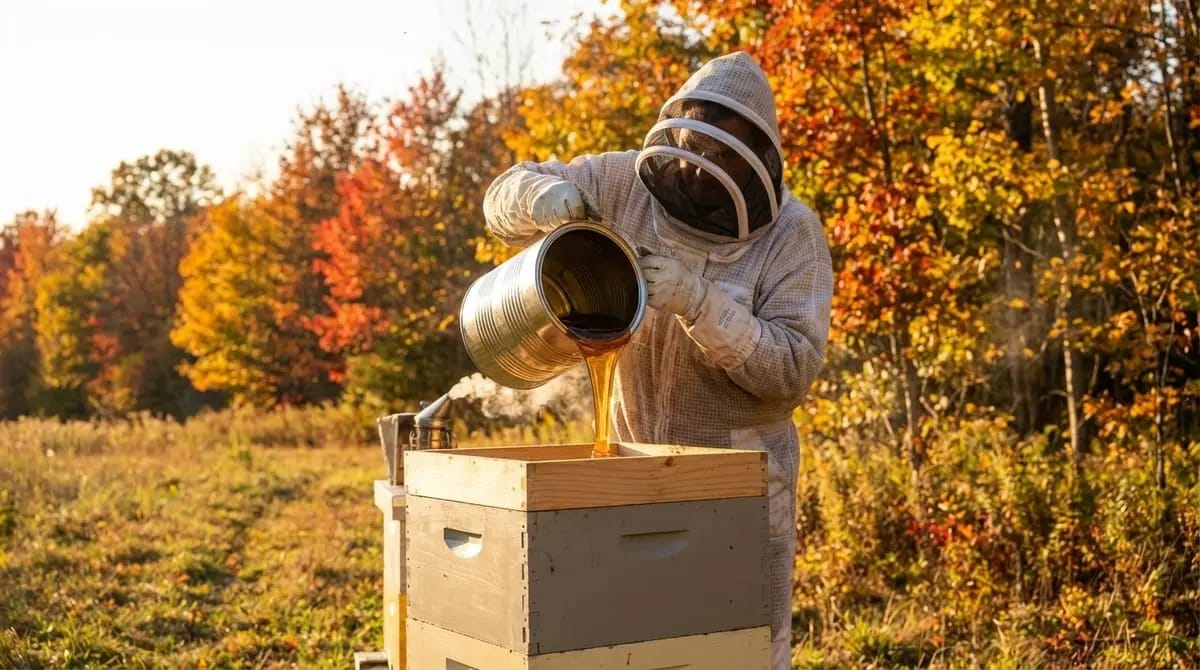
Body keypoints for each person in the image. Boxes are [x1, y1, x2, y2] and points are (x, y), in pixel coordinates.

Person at [481, 51, 833, 670]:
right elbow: (500, 197)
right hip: (629, 474)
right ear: (677, 138)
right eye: (697, 154)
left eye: (723, 161)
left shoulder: (793, 235)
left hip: (743, 491)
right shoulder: (621, 183)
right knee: (632, 648)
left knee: (739, 650)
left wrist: (702, 303)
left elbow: (792, 373)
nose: (700, 179)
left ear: (756, 162)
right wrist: (545, 196)